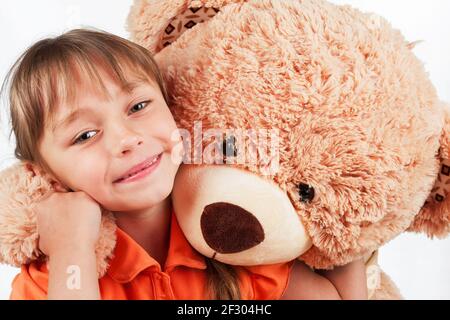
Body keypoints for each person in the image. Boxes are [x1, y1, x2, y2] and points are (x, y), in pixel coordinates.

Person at [2, 29, 367, 300]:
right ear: (43, 173)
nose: (127, 139)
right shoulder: (55, 278)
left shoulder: (233, 234)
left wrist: (349, 210)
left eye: (138, 107)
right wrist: (71, 249)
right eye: (84, 135)